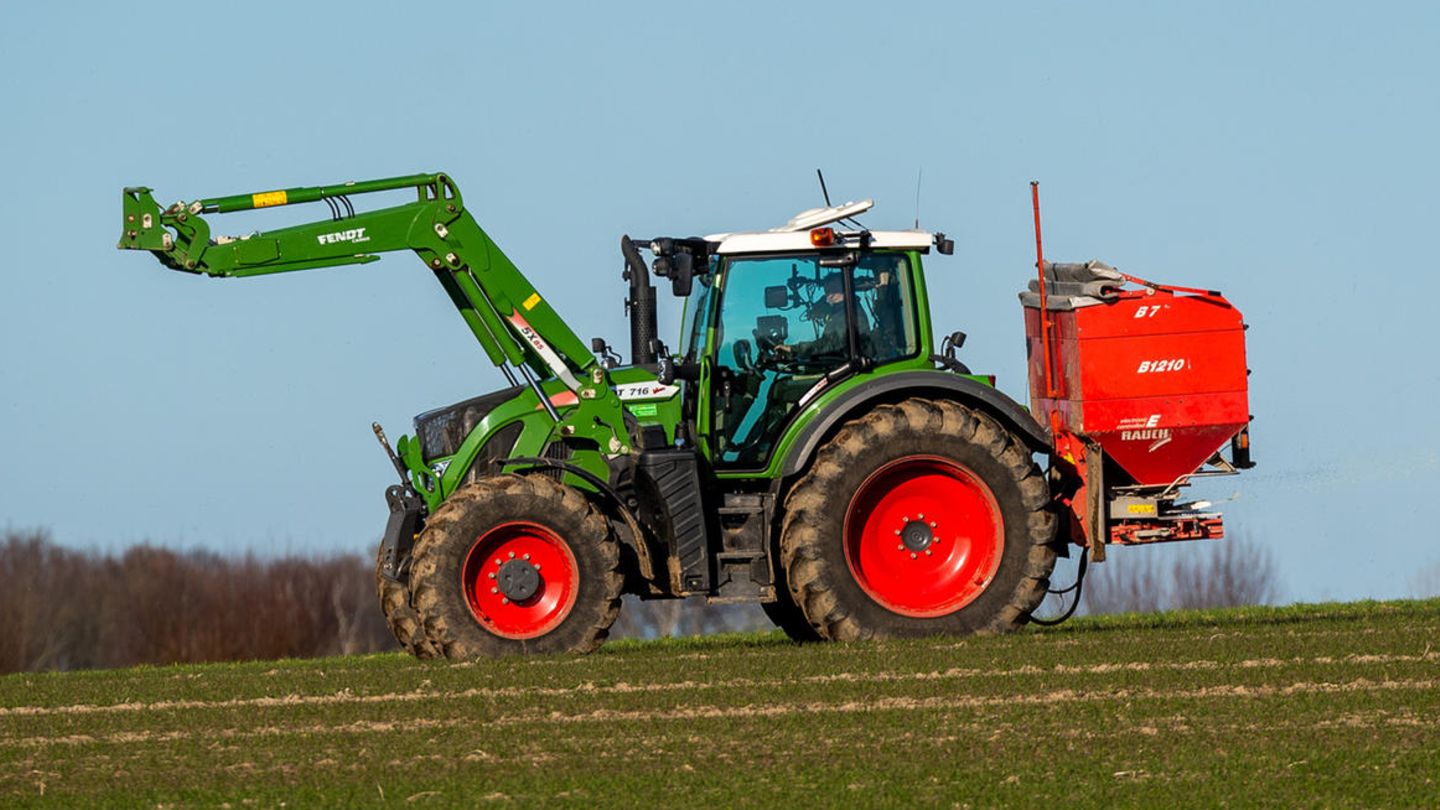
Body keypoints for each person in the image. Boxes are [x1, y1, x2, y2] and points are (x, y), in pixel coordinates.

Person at [777, 273, 868, 362]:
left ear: (847, 289)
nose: (830, 295)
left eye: (835, 290)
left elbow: (832, 344)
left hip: (845, 364)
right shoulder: (840, 311)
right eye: (827, 291)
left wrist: (795, 349)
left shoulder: (849, 314)